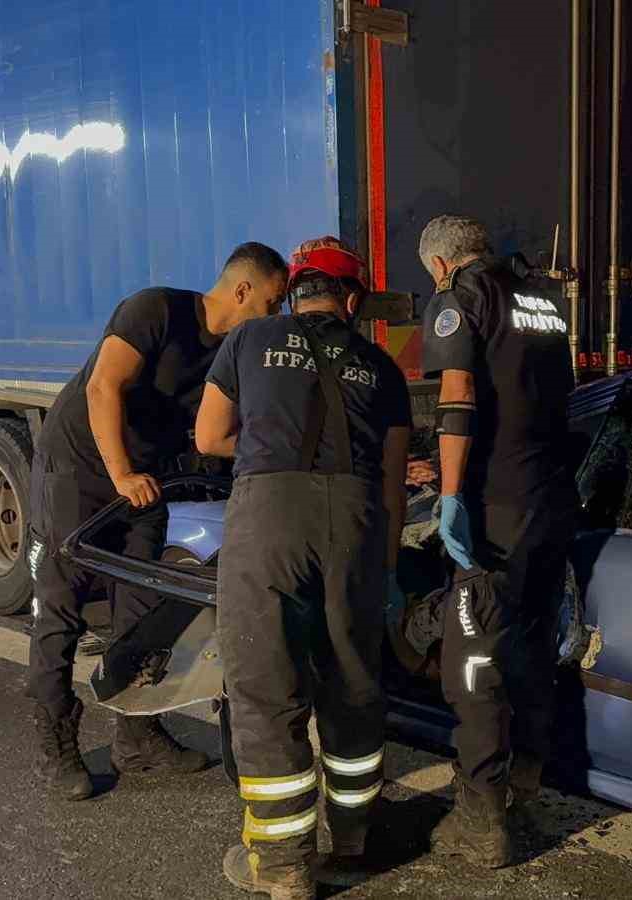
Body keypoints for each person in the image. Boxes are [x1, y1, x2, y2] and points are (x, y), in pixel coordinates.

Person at [26, 242, 289, 801]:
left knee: (143, 609)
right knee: (61, 607)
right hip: (80, 468)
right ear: (242, 291)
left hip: (144, 479)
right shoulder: (156, 310)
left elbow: (222, 433)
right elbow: (103, 387)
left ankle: (136, 734)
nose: (276, 315)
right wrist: (120, 473)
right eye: (272, 302)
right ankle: (56, 747)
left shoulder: (233, 352)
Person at [196, 237, 411, 899]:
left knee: (266, 691)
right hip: (355, 522)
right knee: (352, 684)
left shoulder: (249, 339)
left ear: (295, 291)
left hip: (269, 517)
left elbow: (208, 438)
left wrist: (271, 443)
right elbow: (393, 484)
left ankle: (286, 868)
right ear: (351, 300)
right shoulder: (383, 366)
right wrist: (385, 565)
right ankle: (352, 839)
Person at [417, 215, 577, 867]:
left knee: (474, 657)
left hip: (496, 505)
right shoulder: (543, 300)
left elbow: (457, 399)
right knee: (534, 643)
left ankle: (482, 821)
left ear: (438, 263)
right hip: (551, 498)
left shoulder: (459, 299)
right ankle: (525, 790)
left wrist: (449, 494)